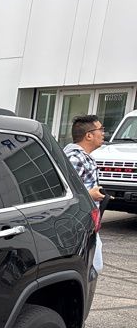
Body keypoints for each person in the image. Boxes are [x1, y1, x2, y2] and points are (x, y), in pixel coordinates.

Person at [63, 114, 105, 274]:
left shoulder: (84, 157)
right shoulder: (75, 158)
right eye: (100, 129)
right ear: (89, 135)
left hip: (88, 224)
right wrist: (90, 195)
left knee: (93, 267)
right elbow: (64, 192)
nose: (103, 133)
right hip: (78, 226)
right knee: (89, 269)